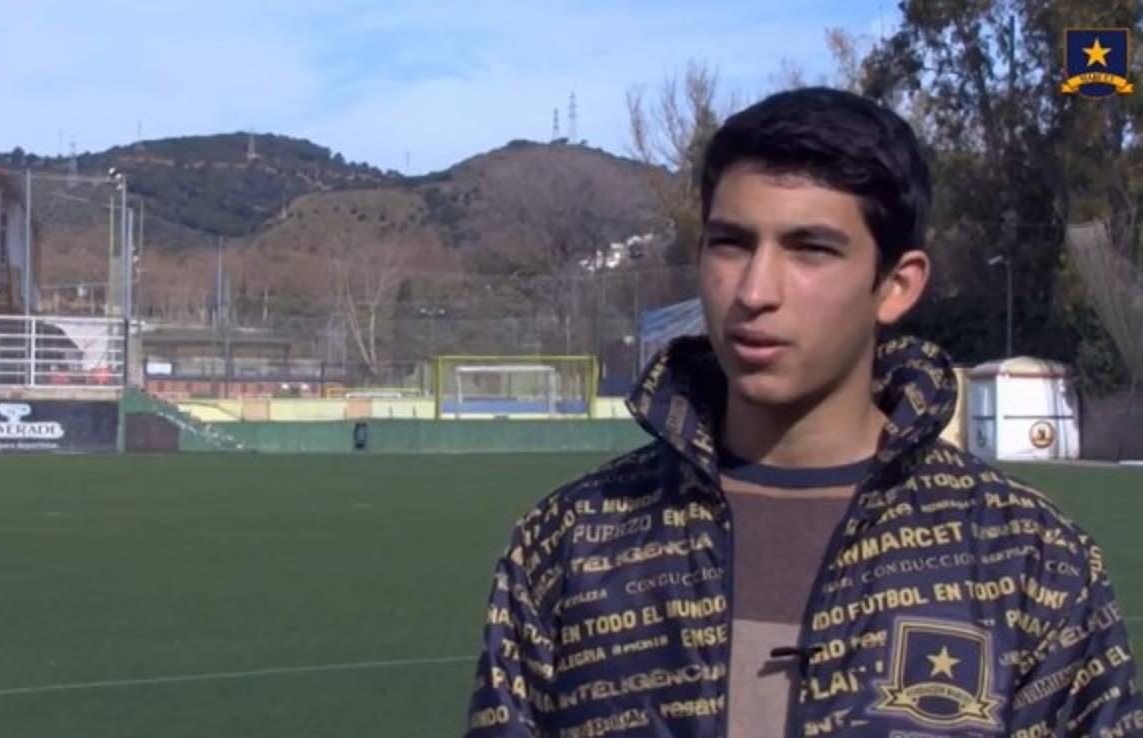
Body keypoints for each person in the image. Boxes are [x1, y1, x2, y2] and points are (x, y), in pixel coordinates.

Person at [465, 87, 1141, 738]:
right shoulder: (569, 545)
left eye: (810, 249)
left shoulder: (1030, 560)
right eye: (731, 243)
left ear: (897, 285)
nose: (756, 290)